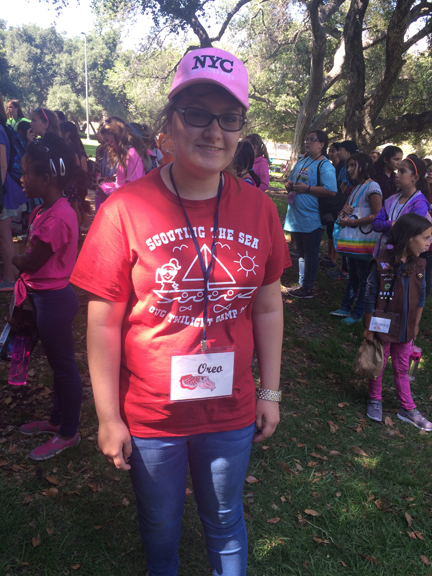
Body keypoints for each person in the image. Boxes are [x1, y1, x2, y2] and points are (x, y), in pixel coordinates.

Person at [70, 46, 290, 576]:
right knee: (161, 522)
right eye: (197, 114)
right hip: (153, 416)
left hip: (230, 410)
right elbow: (103, 323)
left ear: (240, 129)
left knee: (225, 519)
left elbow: (266, 306)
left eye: (229, 118)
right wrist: (108, 417)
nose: (214, 131)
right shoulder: (124, 210)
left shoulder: (259, 208)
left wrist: (271, 392)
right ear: (169, 123)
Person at [14, 133, 83, 459]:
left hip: (54, 302)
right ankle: (57, 421)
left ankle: (69, 433)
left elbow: (31, 262)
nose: (21, 178)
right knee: (57, 365)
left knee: (65, 368)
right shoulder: (47, 209)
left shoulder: (57, 217)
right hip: (44, 299)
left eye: (26, 173)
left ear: (45, 179)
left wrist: (14, 258)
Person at [364, 213, 432, 431]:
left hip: (405, 329)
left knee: (402, 368)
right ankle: (375, 398)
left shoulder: (420, 266)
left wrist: (415, 325)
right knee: (379, 363)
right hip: (382, 326)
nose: (429, 243)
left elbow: (421, 297)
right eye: (426, 238)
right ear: (410, 237)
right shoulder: (381, 263)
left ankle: (407, 408)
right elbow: (370, 295)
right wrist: (369, 328)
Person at [330, 153, 382, 324]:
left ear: (364, 166)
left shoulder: (372, 187)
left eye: (353, 165)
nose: (349, 169)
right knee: (353, 274)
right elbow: (348, 210)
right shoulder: (356, 187)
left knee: (364, 277)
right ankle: (346, 307)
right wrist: (344, 214)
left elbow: (377, 215)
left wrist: (352, 222)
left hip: (363, 242)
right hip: (354, 241)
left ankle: (358, 312)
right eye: (349, 166)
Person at [284, 129, 337, 298]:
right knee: (301, 252)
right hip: (297, 216)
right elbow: (291, 178)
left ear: (321, 144)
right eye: (307, 139)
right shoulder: (303, 161)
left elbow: (331, 191)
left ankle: (307, 288)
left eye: (312, 139)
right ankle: (302, 283)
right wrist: (289, 184)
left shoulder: (325, 166)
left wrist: (307, 189)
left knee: (310, 254)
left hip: (312, 218)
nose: (307, 142)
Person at [372, 155, 430, 257]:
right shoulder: (391, 200)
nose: (397, 175)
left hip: (405, 256)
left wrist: (388, 225)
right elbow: (376, 224)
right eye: (397, 171)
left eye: (402, 171)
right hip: (385, 252)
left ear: (415, 178)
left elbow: (413, 231)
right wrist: (391, 224)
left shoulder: (420, 203)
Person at [0, 95, 28, 291]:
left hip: (5, 191)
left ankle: (10, 279)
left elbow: (2, 165)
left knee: (4, 235)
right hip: (6, 189)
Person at [97, 116, 151, 196]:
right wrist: (106, 186)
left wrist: (107, 190)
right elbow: (122, 184)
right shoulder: (126, 154)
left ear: (118, 136)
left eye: (110, 141)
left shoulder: (132, 154)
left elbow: (133, 190)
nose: (109, 145)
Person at [60, 121, 89, 227]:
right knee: (77, 205)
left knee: (74, 206)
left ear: (68, 133)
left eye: (61, 132)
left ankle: (76, 230)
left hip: (73, 181)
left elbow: (76, 164)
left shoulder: (71, 147)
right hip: (77, 181)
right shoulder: (76, 146)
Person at [323, 142, 345, 268]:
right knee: (330, 229)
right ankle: (329, 255)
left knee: (336, 231)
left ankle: (334, 259)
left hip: (339, 203)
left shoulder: (343, 167)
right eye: (329, 151)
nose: (330, 153)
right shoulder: (332, 167)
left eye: (333, 151)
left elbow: (341, 188)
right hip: (330, 203)